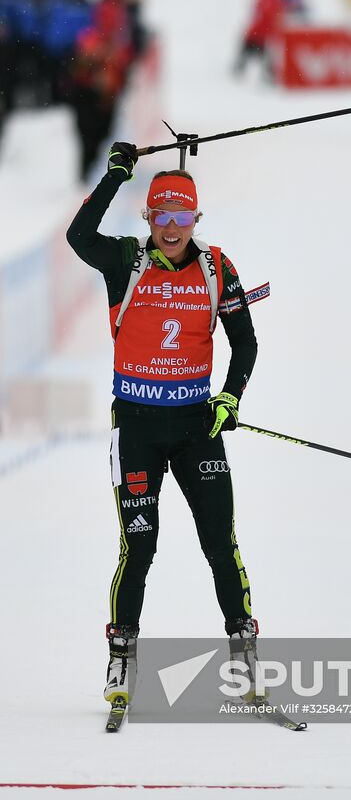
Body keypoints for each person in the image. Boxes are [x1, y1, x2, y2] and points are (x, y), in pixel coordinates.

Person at [66, 144, 260, 711]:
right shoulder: (125, 260)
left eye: (183, 217)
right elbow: (79, 236)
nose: (172, 228)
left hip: (197, 427)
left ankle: (243, 648)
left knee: (219, 541)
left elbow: (245, 342)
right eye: (161, 216)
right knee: (139, 545)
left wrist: (230, 396)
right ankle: (121, 655)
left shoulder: (216, 267)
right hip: (137, 431)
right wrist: (114, 177)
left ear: (195, 219)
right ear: (148, 218)